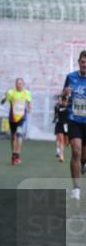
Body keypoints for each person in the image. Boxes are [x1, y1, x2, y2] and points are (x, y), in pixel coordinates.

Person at [62, 50, 86, 201]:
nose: (85, 65)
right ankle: (76, 188)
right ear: (79, 62)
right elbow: (63, 98)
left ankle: (83, 162)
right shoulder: (70, 77)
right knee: (76, 151)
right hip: (74, 120)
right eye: (83, 62)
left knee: (83, 155)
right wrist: (65, 93)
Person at [1, 79, 32, 166]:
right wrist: (5, 96)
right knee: (13, 136)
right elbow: (2, 101)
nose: (19, 85)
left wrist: (29, 108)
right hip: (12, 117)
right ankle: (13, 153)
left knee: (19, 134)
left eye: (21, 83)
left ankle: (17, 154)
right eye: (17, 83)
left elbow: (29, 101)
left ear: (23, 84)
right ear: (15, 84)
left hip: (21, 117)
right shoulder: (11, 92)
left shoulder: (26, 93)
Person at [54, 89, 70, 163]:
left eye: (66, 101)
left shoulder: (69, 107)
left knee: (67, 142)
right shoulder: (58, 107)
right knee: (61, 140)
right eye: (64, 101)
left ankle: (60, 151)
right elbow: (56, 115)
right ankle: (61, 155)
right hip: (60, 124)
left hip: (67, 125)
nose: (65, 102)